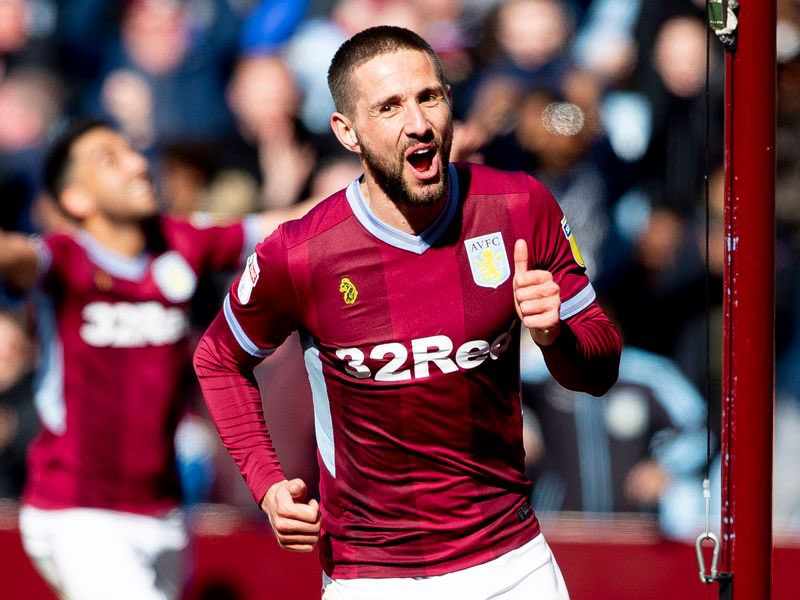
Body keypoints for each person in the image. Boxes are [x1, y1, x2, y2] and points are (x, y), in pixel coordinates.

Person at [193, 26, 621, 599]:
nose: (417, 123)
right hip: (373, 576)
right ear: (348, 132)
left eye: (429, 97)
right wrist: (267, 482)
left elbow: (599, 368)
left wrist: (556, 336)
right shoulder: (301, 253)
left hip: (512, 562)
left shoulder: (519, 206)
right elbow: (219, 359)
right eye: (389, 106)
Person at [0, 117, 311, 600]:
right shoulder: (63, 261)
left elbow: (291, 226)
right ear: (76, 200)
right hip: (76, 513)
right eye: (110, 159)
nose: (135, 164)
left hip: (164, 513)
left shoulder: (181, 242)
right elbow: (15, 255)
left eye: (131, 151)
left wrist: (377, 187)